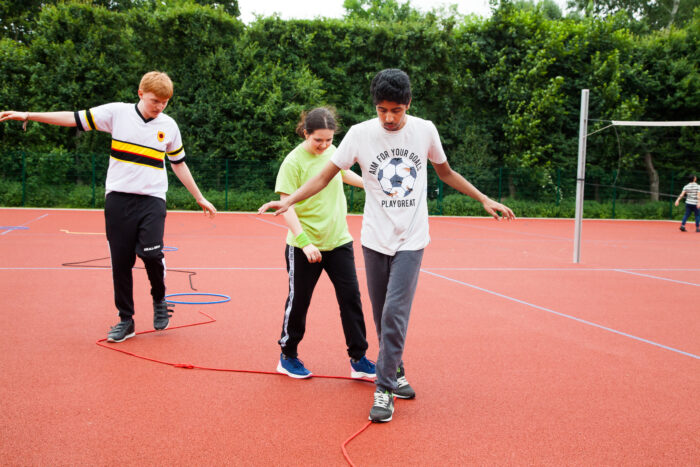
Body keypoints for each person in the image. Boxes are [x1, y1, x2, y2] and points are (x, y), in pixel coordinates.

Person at [259, 69, 515, 423]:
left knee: (394, 312)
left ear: (408, 103)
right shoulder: (359, 134)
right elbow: (324, 175)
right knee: (382, 315)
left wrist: (483, 198)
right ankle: (397, 369)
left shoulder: (425, 130)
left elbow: (445, 172)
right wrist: (290, 200)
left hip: (412, 238)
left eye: (396, 110)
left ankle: (384, 388)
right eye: (382, 110)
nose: (389, 118)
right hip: (374, 239)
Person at [0, 71, 217, 342]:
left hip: (152, 199)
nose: (160, 106)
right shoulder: (117, 113)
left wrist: (199, 196)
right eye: (154, 101)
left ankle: (159, 299)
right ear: (140, 94)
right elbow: (73, 117)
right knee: (121, 262)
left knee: (151, 253)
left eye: (165, 102)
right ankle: (126, 320)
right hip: (118, 199)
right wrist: (30, 115)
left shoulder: (169, 126)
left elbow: (179, 163)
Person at [274, 107, 376, 380]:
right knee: (299, 301)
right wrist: (304, 242)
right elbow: (286, 205)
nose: (324, 145)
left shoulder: (333, 151)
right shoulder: (293, 162)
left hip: (339, 241)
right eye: (318, 139)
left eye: (329, 139)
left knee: (351, 299)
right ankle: (288, 356)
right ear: (306, 133)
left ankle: (358, 359)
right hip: (304, 245)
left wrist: (370, 184)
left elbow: (342, 173)